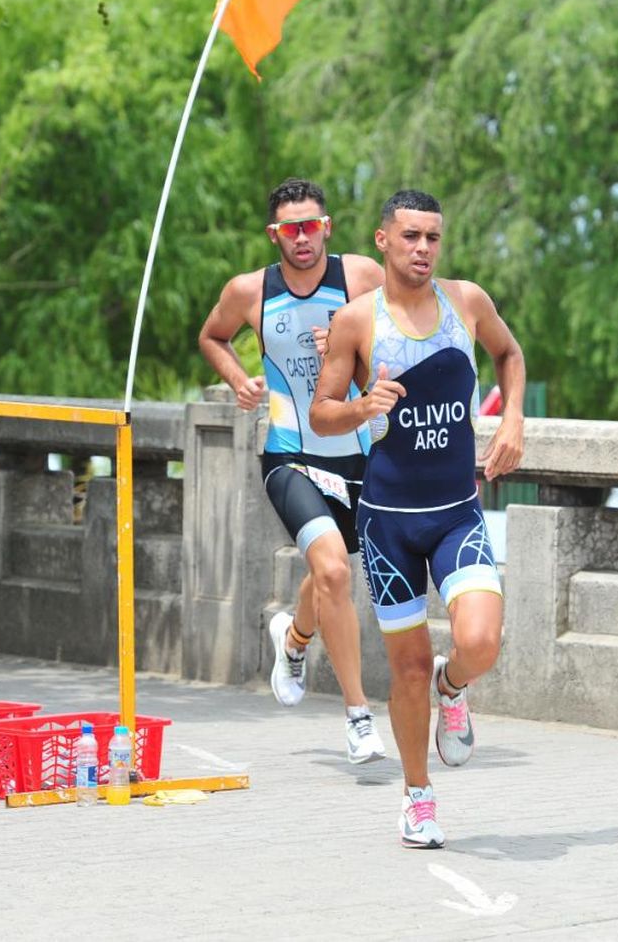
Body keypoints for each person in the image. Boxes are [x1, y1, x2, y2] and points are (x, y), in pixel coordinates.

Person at [309, 189, 525, 848]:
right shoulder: (355, 321)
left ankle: (452, 686)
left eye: (432, 236)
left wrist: (513, 417)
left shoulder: (468, 302)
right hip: (388, 523)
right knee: (404, 671)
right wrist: (361, 407)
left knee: (482, 639)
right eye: (409, 236)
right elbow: (322, 412)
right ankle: (418, 796)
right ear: (383, 241)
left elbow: (509, 357)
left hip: (457, 512)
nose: (422, 249)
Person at [197, 177, 389, 764]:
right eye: (289, 229)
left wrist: (348, 350)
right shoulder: (249, 291)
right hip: (290, 455)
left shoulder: (363, 278)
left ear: (327, 226)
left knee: (327, 575)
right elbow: (212, 337)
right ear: (273, 234)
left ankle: (294, 638)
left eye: (311, 226)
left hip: (360, 457)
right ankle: (359, 716)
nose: (301, 238)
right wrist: (240, 381)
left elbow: (392, 356)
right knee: (333, 572)